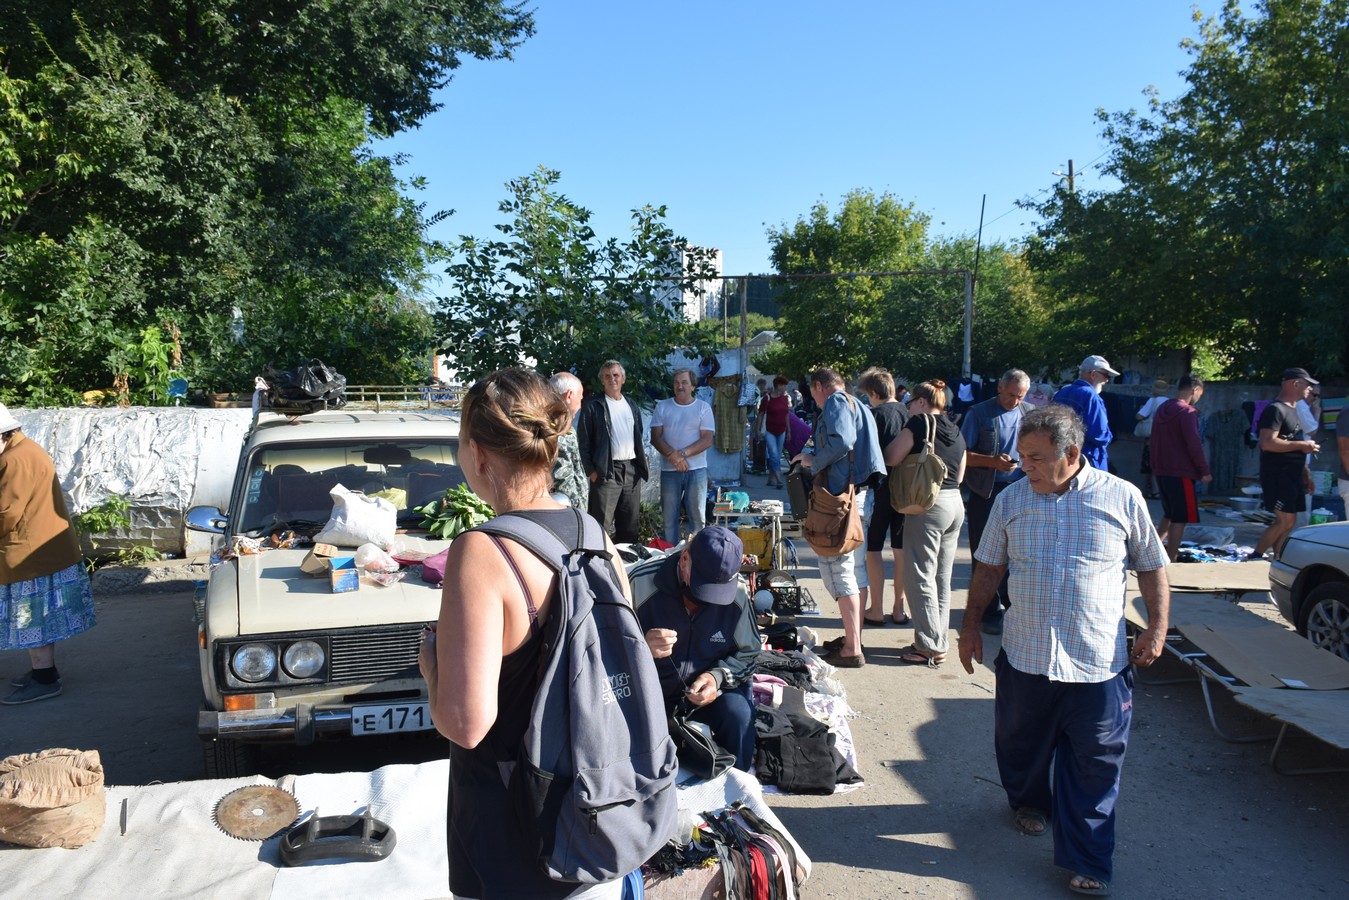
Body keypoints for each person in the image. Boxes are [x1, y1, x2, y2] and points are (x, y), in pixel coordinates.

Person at [419, 367, 630, 900]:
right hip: (591, 807)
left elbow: (467, 724)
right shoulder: (593, 532)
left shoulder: (482, 552)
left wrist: (432, 671)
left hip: (513, 823)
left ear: (478, 453)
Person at [958, 402, 1170, 898]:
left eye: (1034, 457)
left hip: (1097, 661)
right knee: (1018, 743)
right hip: (1026, 654)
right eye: (1021, 455)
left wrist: (1157, 627)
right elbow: (988, 567)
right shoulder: (1012, 500)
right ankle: (1029, 801)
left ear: (1071, 453)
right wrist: (970, 628)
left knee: (1095, 762)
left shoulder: (1122, 497)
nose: (1022, 465)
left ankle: (1089, 857)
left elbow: (1151, 566)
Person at [632, 526, 759, 770]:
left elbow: (750, 653)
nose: (706, 600)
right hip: (649, 694)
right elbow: (604, 644)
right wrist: (640, 646)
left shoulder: (739, 593)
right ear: (684, 559)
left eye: (718, 591)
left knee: (739, 714)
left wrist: (716, 677)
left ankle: (736, 795)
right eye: (702, 585)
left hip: (709, 695)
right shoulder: (640, 582)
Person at [2, 407, 96, 705]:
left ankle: (45, 677)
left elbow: (6, 513)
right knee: (36, 617)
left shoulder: (15, 459)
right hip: (37, 549)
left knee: (32, 617)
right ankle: (41, 672)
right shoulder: (23, 450)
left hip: (31, 553)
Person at [792, 367, 885, 669]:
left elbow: (843, 441)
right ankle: (851, 640)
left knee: (838, 568)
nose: (814, 399)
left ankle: (852, 648)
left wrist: (812, 460)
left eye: (812, 392)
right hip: (854, 495)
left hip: (840, 498)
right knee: (851, 570)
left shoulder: (836, 402)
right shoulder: (857, 402)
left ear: (818, 386)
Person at [883, 380, 966, 666]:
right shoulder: (954, 427)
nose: (907, 407)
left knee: (918, 575)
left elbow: (892, 457)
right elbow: (962, 473)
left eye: (909, 402)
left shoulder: (919, 423)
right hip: (955, 502)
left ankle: (929, 646)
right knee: (941, 578)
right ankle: (937, 639)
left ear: (920, 402)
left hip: (928, 505)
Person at [960, 369, 1029, 636]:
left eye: (1020, 397)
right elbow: (962, 454)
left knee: (1018, 551)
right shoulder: (978, 413)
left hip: (1022, 490)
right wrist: (992, 462)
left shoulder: (1029, 413)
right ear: (1000, 387)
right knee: (985, 553)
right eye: (1011, 395)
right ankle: (987, 611)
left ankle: (1014, 607)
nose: (1015, 401)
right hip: (986, 492)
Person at [856, 367, 910, 627]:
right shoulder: (909, 412)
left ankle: (876, 608)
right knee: (901, 551)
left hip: (881, 489)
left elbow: (866, 454)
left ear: (874, 393)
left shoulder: (874, 415)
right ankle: (899, 609)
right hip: (908, 491)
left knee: (873, 549)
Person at [1251, 368, 1321, 560]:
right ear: (1295, 384)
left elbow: (1294, 443)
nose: (1309, 389)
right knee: (1284, 520)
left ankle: (1278, 558)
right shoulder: (1275, 410)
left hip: (1294, 473)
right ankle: (1255, 556)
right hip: (1277, 474)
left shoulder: (1296, 410)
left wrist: (1305, 473)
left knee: (1290, 522)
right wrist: (1302, 444)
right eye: (1307, 385)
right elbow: (1267, 443)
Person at [576, 360, 649, 545]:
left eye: (616, 375)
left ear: (623, 379)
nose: (612, 379)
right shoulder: (593, 407)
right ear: (602, 380)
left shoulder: (631, 405)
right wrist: (591, 472)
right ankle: (597, 565)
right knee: (600, 525)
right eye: (607, 376)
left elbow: (638, 437)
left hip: (631, 471)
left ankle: (626, 567)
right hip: (606, 471)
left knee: (629, 526)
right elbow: (583, 442)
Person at [649, 369, 715, 546]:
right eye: (677, 382)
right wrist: (673, 457)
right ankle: (670, 556)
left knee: (697, 518)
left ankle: (696, 555)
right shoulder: (662, 406)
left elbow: (707, 439)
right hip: (669, 470)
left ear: (693, 386)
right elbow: (655, 437)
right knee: (669, 518)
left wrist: (682, 454)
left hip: (697, 470)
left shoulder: (703, 407)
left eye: (685, 382)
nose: (680, 386)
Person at [1150, 374, 1212, 562]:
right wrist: (1204, 471)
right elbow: (1194, 444)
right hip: (1181, 472)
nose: (1199, 397)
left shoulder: (1163, 408)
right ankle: (1171, 557)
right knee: (1180, 518)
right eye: (1200, 393)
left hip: (1161, 470)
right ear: (1195, 390)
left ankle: (1153, 552)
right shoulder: (1187, 412)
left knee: (1169, 513)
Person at [1053, 354, 1118, 472]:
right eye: (1105, 375)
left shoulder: (1062, 392)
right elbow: (1098, 434)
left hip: (1061, 456)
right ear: (1093, 374)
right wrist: (1109, 437)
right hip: (1087, 459)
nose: (1107, 380)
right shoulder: (1091, 396)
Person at [548, 371, 589, 510]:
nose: (580, 405)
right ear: (569, 395)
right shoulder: (555, 427)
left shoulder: (560, 424)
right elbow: (562, 478)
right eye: (580, 398)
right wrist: (577, 511)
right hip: (566, 511)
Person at [1135, 379, 1170, 499]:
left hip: (1152, 437)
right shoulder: (1170, 402)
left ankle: (1153, 491)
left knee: (1150, 465)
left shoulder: (1153, 401)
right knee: (1161, 464)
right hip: (1167, 438)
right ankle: (1160, 490)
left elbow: (1139, 416)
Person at [757, 376, 792, 488]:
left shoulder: (785, 399)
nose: (785, 387)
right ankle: (779, 480)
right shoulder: (766, 399)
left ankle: (770, 479)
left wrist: (789, 430)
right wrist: (757, 429)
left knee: (776, 455)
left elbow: (786, 415)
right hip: (769, 431)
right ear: (778, 385)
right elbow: (761, 415)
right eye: (783, 385)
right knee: (774, 454)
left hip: (781, 430)